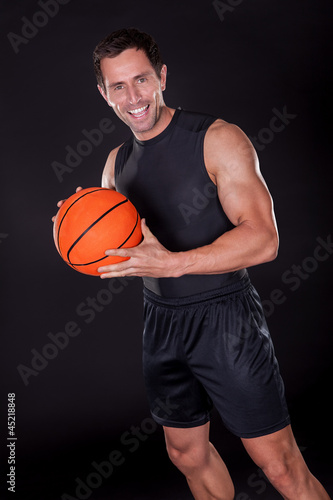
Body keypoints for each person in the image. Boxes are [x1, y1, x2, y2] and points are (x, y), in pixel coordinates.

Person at [56, 28, 330, 499]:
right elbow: (118, 248)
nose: (133, 96)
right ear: (104, 95)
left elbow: (264, 240)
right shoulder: (115, 163)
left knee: (280, 467)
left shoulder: (218, 138)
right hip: (161, 323)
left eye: (141, 80)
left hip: (226, 319)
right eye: (118, 86)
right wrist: (70, 227)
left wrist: (175, 264)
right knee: (186, 454)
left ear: (162, 77)